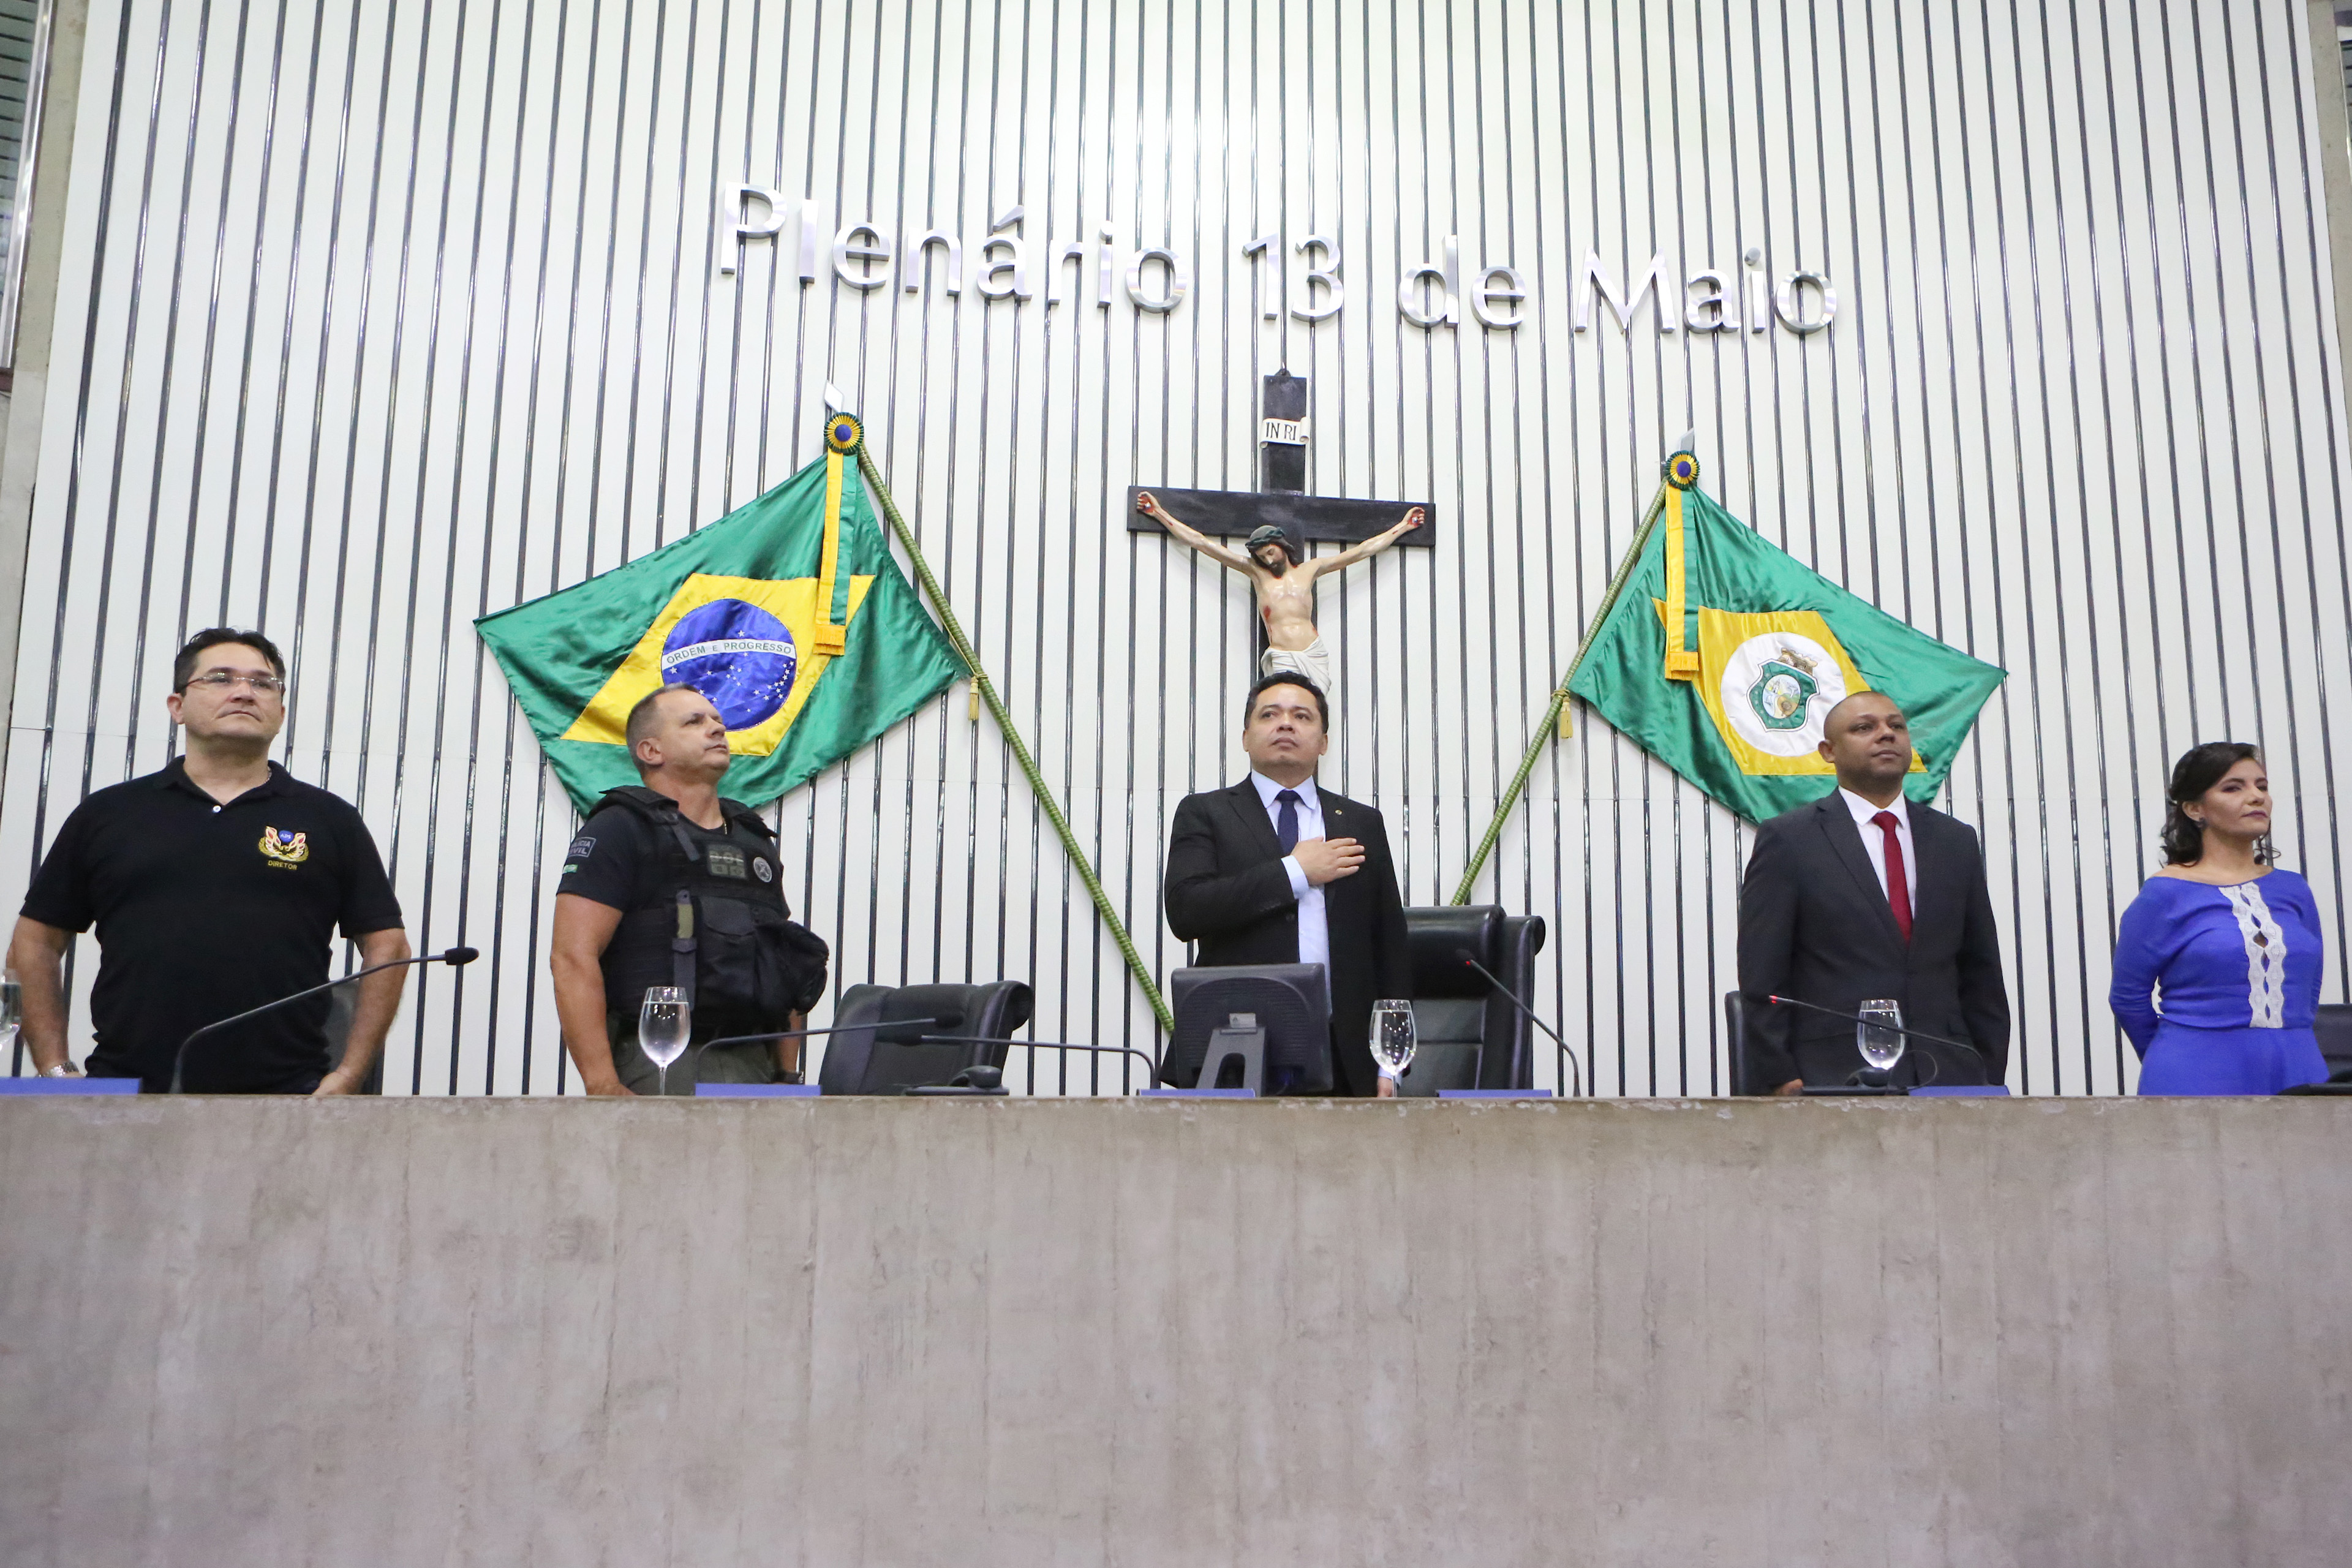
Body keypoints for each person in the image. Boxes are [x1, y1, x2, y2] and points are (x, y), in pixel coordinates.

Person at [6, 628, 411, 1093]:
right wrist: (55, 1072)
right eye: (221, 678)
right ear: (177, 706)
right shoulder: (109, 814)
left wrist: (350, 1074)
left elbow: (389, 947)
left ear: (281, 714)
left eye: (263, 683)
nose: (244, 692)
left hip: (289, 1096)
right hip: (125, 1093)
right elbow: (33, 943)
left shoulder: (329, 819)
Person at [550, 683, 828, 1095]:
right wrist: (602, 1083)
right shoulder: (620, 828)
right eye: (694, 722)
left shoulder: (753, 840)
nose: (717, 728)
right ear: (651, 751)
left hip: (755, 1061)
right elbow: (572, 957)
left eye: (716, 720)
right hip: (659, 1057)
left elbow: (782, 963)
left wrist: (787, 1078)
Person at [1736, 690, 2010, 1092]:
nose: (1886, 734)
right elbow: (1763, 975)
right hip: (1831, 1074)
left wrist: (1988, 1074)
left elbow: (1981, 971)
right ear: (1828, 751)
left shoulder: (1955, 841)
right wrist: (1779, 1076)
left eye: (1896, 726)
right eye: (1864, 727)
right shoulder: (1790, 840)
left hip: (1951, 1072)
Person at [1163, 672, 1412, 1097]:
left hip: (1346, 1057)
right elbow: (1187, 911)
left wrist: (1392, 1062)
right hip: (1234, 1047)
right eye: (1269, 715)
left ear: (1324, 742)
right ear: (1245, 737)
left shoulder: (1361, 822)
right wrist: (1295, 872)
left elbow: (1389, 945)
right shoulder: (1205, 813)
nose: (1285, 724)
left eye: (1302, 716)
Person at [2109, 743, 2328, 1095]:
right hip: (2195, 1072)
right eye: (2233, 788)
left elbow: (2309, 987)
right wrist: (2174, 1056)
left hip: (2299, 1067)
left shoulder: (2294, 888)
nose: (2256, 797)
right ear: (2195, 809)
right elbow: (2127, 997)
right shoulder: (2164, 893)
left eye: (2262, 786)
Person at [1134, 490, 1424, 698]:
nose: (1268, 559)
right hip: (1283, 656)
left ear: (1282, 546)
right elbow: (1201, 543)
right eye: (1262, 555)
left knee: (1313, 712)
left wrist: (1403, 526)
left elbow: (1362, 551)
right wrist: (1158, 513)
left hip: (1312, 653)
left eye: (1270, 551)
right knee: (1285, 706)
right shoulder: (1256, 573)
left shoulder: (1311, 569)